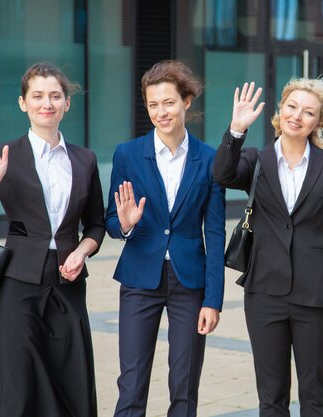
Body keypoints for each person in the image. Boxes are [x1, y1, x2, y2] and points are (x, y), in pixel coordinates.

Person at [0, 62, 105, 416]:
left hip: (67, 285)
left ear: (67, 103)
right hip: (15, 286)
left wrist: (82, 252)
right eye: (37, 96)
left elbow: (96, 225)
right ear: (24, 103)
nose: (46, 103)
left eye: (55, 96)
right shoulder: (5, 156)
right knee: (20, 389)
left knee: (73, 384)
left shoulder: (84, 160)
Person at [213, 79, 323, 416]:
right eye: (292, 107)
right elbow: (221, 174)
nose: (297, 116)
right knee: (271, 396)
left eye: (308, 112)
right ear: (280, 111)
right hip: (264, 294)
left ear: (318, 122)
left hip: (318, 296)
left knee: (315, 394)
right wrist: (236, 130)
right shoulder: (255, 160)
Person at [105, 60, 225, 417]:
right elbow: (111, 222)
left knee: (185, 385)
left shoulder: (209, 159)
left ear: (186, 101)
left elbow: (215, 234)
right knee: (132, 381)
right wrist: (125, 224)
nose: (161, 112)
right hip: (140, 276)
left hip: (190, 281)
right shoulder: (127, 154)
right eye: (153, 104)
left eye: (168, 102)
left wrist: (213, 299)